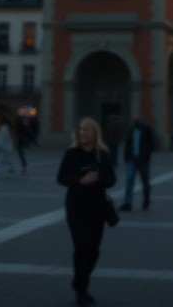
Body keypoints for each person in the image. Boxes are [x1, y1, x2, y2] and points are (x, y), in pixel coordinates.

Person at [57, 117, 116, 307]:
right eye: (81, 129)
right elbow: (61, 177)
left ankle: (79, 281)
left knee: (93, 250)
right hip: (76, 207)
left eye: (87, 130)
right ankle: (81, 291)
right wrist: (79, 180)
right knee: (81, 247)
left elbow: (111, 180)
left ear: (94, 133)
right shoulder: (71, 154)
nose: (82, 133)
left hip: (97, 209)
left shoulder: (103, 155)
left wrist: (98, 179)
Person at [120, 114, 155, 211]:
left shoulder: (146, 129)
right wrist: (126, 157)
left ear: (140, 119)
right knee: (129, 179)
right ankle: (127, 203)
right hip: (131, 159)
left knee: (145, 181)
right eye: (134, 118)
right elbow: (127, 143)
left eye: (137, 118)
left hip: (143, 159)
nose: (135, 120)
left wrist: (147, 154)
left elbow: (152, 143)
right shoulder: (131, 129)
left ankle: (146, 201)